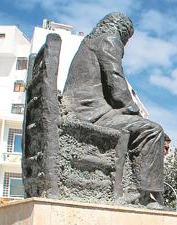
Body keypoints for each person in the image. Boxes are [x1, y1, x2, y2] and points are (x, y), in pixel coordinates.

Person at [63, 12, 166, 209]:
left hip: (82, 111)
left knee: (144, 127)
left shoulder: (88, 43)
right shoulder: (109, 39)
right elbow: (115, 79)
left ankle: (139, 191)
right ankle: (146, 196)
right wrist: (134, 111)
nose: (124, 43)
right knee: (152, 130)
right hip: (92, 115)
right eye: (126, 38)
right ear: (123, 31)